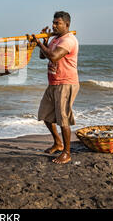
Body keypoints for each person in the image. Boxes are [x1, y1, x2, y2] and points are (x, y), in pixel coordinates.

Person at [30, 11, 79, 164]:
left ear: (67, 25)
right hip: (53, 83)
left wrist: (39, 43)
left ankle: (67, 152)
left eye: (57, 23)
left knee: (63, 119)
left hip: (66, 83)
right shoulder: (55, 39)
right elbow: (43, 56)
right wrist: (44, 41)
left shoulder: (69, 40)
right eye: (53, 22)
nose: (53, 25)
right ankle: (58, 143)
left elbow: (54, 56)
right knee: (45, 115)